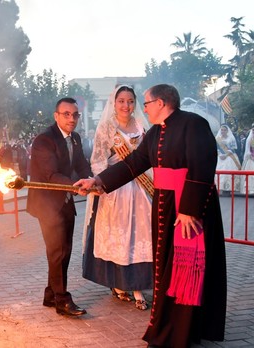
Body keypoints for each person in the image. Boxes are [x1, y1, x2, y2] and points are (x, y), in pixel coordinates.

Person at [75, 84, 226, 347]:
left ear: (161, 102)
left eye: (145, 103)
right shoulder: (155, 132)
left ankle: (183, 329)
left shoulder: (193, 123)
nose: (142, 108)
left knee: (186, 269)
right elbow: (133, 164)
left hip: (189, 209)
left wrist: (189, 209)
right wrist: (97, 180)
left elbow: (203, 165)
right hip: (165, 206)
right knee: (167, 267)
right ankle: (171, 327)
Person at [82, 85, 153, 311]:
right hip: (115, 189)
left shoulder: (142, 126)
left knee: (140, 235)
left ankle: (138, 286)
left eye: (130, 101)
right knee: (118, 235)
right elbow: (98, 160)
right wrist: (102, 182)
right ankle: (118, 284)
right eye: (121, 101)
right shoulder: (106, 128)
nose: (126, 105)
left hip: (140, 188)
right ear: (114, 103)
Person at [26, 97, 92, 317]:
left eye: (75, 115)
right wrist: (77, 187)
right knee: (57, 251)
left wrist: (93, 181)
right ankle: (62, 300)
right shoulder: (44, 140)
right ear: (56, 116)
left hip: (65, 201)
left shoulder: (75, 139)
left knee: (65, 250)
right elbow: (51, 174)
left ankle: (50, 294)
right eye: (66, 114)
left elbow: (81, 165)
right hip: (47, 203)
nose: (71, 119)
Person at [215, 124, 241, 194]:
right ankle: (221, 187)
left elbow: (233, 149)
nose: (223, 131)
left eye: (224, 130)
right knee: (220, 171)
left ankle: (229, 188)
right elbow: (216, 148)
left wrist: (226, 155)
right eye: (222, 130)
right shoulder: (218, 138)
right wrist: (220, 154)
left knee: (228, 171)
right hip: (220, 156)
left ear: (227, 131)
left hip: (229, 157)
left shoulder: (231, 139)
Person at [241, 123, 254, 195]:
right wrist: (251, 155)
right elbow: (247, 149)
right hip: (251, 158)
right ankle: (250, 189)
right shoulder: (250, 139)